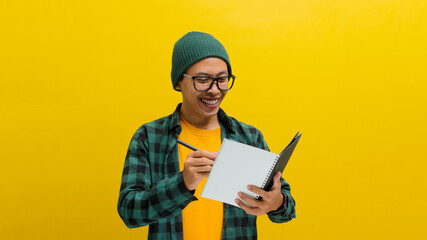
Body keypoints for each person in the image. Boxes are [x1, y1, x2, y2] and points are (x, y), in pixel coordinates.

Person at [117, 31, 296, 240]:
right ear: (178, 82)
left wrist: (276, 203)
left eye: (222, 79)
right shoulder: (149, 137)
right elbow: (129, 212)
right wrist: (182, 184)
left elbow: (287, 210)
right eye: (202, 80)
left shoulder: (250, 137)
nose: (214, 90)